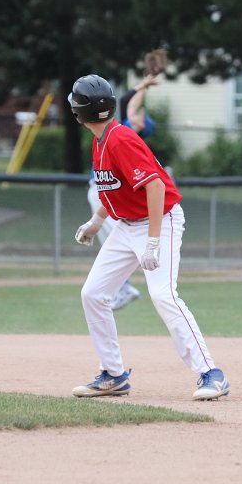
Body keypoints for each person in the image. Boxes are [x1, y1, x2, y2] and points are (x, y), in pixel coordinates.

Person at [68, 74, 229, 400]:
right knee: (94, 293)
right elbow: (118, 189)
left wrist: (153, 241)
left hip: (160, 220)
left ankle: (211, 374)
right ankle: (113, 375)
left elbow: (155, 186)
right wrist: (97, 220)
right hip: (127, 226)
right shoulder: (102, 140)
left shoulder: (119, 139)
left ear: (78, 112)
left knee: (163, 295)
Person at [84, 69, 162, 310]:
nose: (138, 115)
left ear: (141, 125)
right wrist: (144, 85)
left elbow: (130, 103)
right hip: (102, 190)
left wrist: (142, 88)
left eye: (141, 118)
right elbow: (131, 102)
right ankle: (121, 286)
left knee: (113, 238)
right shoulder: (119, 129)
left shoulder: (124, 134)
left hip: (104, 190)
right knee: (109, 237)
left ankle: (123, 286)